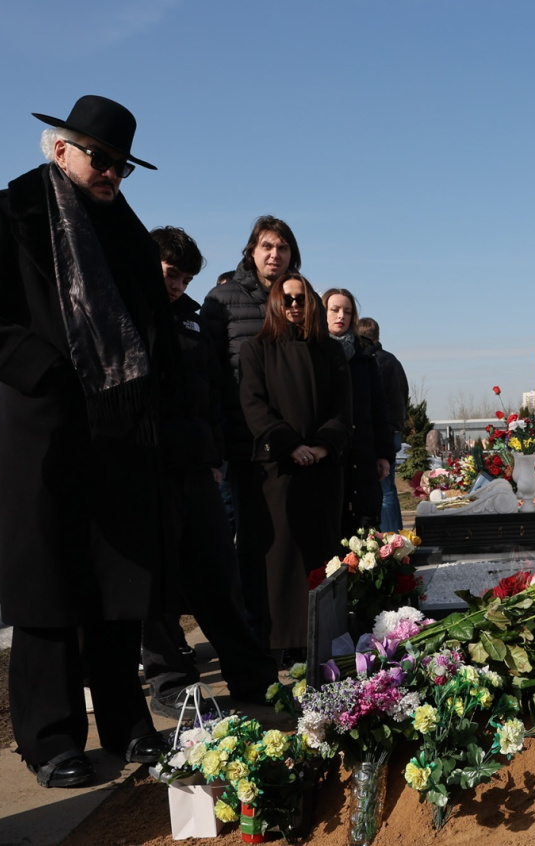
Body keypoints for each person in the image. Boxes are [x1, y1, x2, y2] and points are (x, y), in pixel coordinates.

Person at [0, 95, 174, 787]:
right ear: (60, 149)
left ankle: (127, 723)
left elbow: (156, 332)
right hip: (46, 431)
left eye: (122, 165)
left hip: (120, 433)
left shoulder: (128, 235)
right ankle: (49, 738)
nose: (111, 173)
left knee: (117, 588)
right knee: (47, 589)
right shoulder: (6, 212)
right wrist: (38, 366)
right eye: (100, 158)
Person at [141, 227, 276, 718]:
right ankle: (171, 682)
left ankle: (253, 677)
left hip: (198, 467)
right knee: (158, 586)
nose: (177, 285)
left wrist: (215, 457)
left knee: (220, 576)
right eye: (170, 274)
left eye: (185, 278)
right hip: (149, 468)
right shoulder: (129, 316)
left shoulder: (194, 323)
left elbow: (214, 395)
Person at [240, 273, 352, 657]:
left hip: (323, 470)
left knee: (323, 556)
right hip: (279, 470)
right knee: (282, 562)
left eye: (300, 299)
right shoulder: (256, 350)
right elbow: (254, 405)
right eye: (286, 299)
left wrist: (321, 447)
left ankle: (324, 640)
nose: (293, 306)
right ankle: (283, 645)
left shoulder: (331, 351)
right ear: (275, 302)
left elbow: (343, 409)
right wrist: (291, 446)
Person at [200, 216, 300, 643]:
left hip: (292, 442)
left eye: (283, 248)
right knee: (250, 540)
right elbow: (208, 373)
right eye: (267, 247)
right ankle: (253, 630)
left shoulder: (300, 297)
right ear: (252, 251)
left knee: (289, 538)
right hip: (243, 440)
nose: (275, 255)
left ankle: (290, 629)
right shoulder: (222, 300)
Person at [323, 290, 392, 534]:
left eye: (347, 311)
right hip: (327, 452)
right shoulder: (312, 351)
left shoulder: (364, 355)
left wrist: (384, 454)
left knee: (364, 526)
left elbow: (378, 408)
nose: (341, 316)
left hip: (362, 451)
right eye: (334, 310)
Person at [357, 317, 409, 532]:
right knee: (390, 488)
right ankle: (396, 533)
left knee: (383, 489)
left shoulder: (372, 360)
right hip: (394, 429)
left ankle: (388, 536)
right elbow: (404, 393)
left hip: (381, 430)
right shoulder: (393, 360)